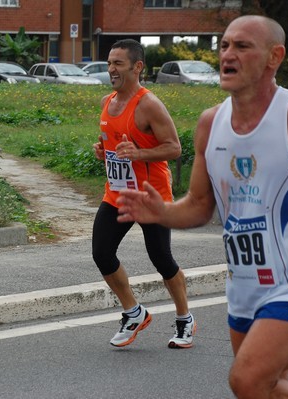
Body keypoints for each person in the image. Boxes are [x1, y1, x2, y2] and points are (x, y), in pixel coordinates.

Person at [116, 15, 288, 398]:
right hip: (244, 283)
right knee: (272, 386)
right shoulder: (211, 123)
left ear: (273, 57)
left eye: (242, 46)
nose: (228, 54)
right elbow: (198, 205)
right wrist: (162, 212)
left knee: (245, 380)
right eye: (224, 45)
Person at [92, 39, 196, 349]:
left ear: (137, 67)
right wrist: (103, 152)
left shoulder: (149, 104)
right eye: (110, 62)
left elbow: (174, 148)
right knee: (102, 253)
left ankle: (184, 319)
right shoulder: (106, 101)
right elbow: (113, 145)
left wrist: (138, 154)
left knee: (161, 258)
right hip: (118, 194)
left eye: (118, 63)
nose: (112, 69)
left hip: (151, 196)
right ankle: (133, 312)